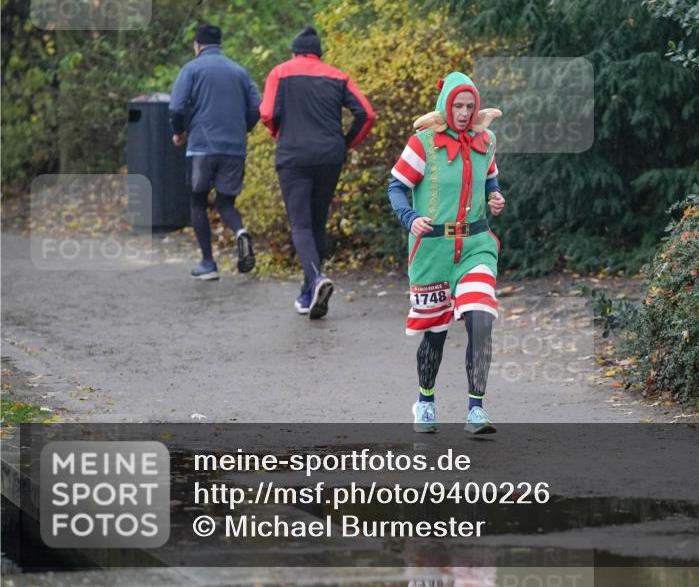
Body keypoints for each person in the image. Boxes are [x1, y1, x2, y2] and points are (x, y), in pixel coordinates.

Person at [387, 71, 506, 434]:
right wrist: (410, 217)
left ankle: (476, 409)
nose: (465, 112)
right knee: (435, 333)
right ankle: (424, 402)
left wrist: (495, 198)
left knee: (481, 320)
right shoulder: (423, 143)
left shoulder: (486, 140)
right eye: (458, 105)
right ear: (446, 105)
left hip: (476, 246)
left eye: (470, 106)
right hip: (433, 250)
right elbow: (396, 186)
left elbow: (490, 180)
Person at [260, 25, 375, 319]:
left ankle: (315, 280)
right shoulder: (338, 76)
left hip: (294, 156)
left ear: (295, 51)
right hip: (329, 157)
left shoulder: (280, 73)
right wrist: (346, 143)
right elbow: (366, 114)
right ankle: (308, 292)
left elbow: (268, 113)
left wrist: (278, 134)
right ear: (318, 52)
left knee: (300, 225)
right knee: (317, 222)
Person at [169, 23, 261, 280]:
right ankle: (240, 231)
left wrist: (179, 132)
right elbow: (257, 107)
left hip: (201, 147)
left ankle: (208, 264)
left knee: (198, 201)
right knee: (225, 202)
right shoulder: (240, 71)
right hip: (234, 148)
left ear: (197, 45)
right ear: (219, 44)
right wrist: (243, 129)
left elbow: (176, 107)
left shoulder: (191, 69)